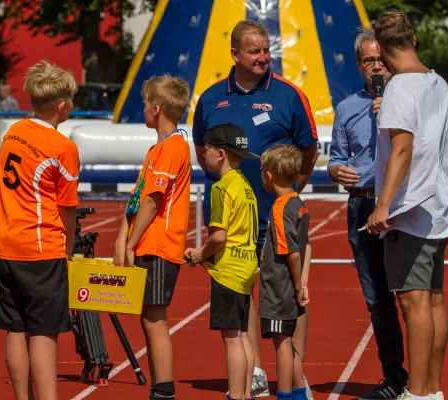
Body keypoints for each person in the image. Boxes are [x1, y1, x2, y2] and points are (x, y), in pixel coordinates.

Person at [192, 19, 319, 398]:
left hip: (277, 218)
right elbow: (203, 151)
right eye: (254, 51)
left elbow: (308, 150)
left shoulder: (289, 95)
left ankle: (295, 373)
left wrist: (291, 195)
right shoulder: (211, 97)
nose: (264, 57)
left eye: (266, 49)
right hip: (232, 224)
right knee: (239, 294)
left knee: (292, 295)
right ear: (234, 54)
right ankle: (256, 370)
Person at [367, 11, 448, 400]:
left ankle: (418, 392)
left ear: (384, 49)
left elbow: (402, 152)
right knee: (434, 300)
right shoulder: (439, 84)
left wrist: (382, 205)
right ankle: (432, 390)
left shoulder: (400, 90)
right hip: (439, 205)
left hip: (411, 210)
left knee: (413, 303)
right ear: (414, 40)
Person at [0, 60, 80, 400]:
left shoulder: (13, 132)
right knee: (45, 331)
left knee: (14, 326)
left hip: (3, 243)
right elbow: (67, 208)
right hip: (40, 249)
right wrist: (67, 248)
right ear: (62, 106)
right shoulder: (63, 148)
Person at [327, 28, 408, 399]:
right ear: (359, 66)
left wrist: (387, 115)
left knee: (411, 296)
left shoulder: (408, 100)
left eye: (380, 59)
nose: (376, 66)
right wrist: (335, 171)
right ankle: (394, 378)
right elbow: (337, 158)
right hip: (360, 204)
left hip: (399, 205)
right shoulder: (346, 108)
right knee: (377, 299)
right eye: (368, 61)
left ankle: (421, 380)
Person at [114, 74, 192, 400]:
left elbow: (152, 200)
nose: (143, 108)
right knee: (148, 318)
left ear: (157, 108)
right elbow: (136, 198)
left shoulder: (174, 146)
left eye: (145, 103)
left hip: (159, 244)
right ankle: (159, 388)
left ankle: (164, 390)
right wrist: (122, 237)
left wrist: (130, 242)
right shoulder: (156, 149)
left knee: (155, 319)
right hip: (145, 242)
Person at [184, 123, 259, 400]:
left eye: (207, 151)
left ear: (221, 154)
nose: (203, 155)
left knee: (231, 338)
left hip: (228, 270)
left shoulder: (221, 188)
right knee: (241, 335)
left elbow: (218, 237)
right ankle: (247, 392)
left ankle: (237, 395)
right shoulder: (244, 185)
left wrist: (199, 254)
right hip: (247, 266)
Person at [258, 144, 311, 400]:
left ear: (268, 175)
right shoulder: (299, 203)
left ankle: (285, 394)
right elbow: (306, 245)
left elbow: (293, 252)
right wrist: (303, 283)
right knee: (291, 344)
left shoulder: (280, 207)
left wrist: (298, 285)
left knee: (282, 343)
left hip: (279, 289)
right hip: (291, 285)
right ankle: (299, 392)